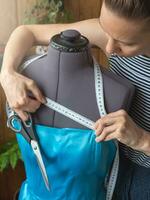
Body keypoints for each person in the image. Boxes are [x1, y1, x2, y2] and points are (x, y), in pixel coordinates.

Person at [0, 0, 150, 199]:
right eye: (106, 32)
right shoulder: (116, 34)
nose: (109, 47)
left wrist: (141, 140)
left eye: (127, 43)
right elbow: (26, 32)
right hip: (113, 164)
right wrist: (7, 75)